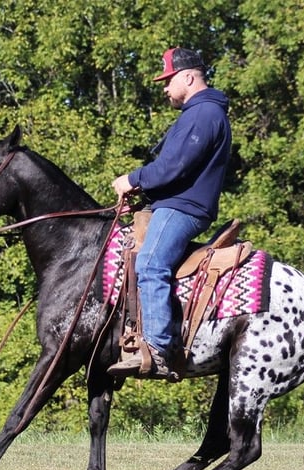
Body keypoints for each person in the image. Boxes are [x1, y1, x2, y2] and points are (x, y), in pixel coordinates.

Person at [107, 47, 232, 380]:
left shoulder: (204, 114)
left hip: (183, 208)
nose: (164, 88)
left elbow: (175, 166)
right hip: (173, 203)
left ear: (188, 77)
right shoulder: (199, 113)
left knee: (149, 263)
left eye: (168, 80)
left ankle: (158, 351)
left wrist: (133, 179)